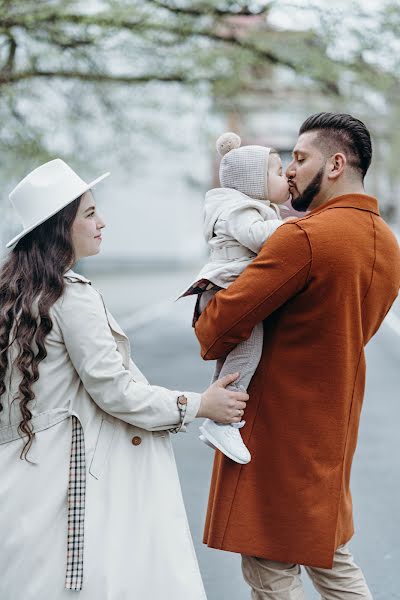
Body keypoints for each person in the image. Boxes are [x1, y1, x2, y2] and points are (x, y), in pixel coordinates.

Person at [0, 158, 248, 600]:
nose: (103, 223)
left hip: (20, 478)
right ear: (62, 227)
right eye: (90, 213)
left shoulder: (16, 293)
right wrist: (199, 404)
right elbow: (116, 390)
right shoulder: (70, 297)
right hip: (66, 480)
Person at [194, 112, 400, 599]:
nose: (288, 170)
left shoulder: (302, 238)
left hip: (274, 433)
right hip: (334, 428)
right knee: (332, 562)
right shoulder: (389, 247)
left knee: (271, 576)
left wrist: (209, 289)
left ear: (335, 164)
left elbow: (215, 330)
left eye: (300, 158)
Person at [179, 132, 290, 465]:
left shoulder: (244, 205)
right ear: (254, 182)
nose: (286, 177)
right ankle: (224, 419)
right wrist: (294, 228)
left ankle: (219, 418)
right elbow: (257, 239)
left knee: (231, 360)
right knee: (250, 346)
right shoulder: (242, 209)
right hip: (227, 288)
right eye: (278, 172)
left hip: (222, 288)